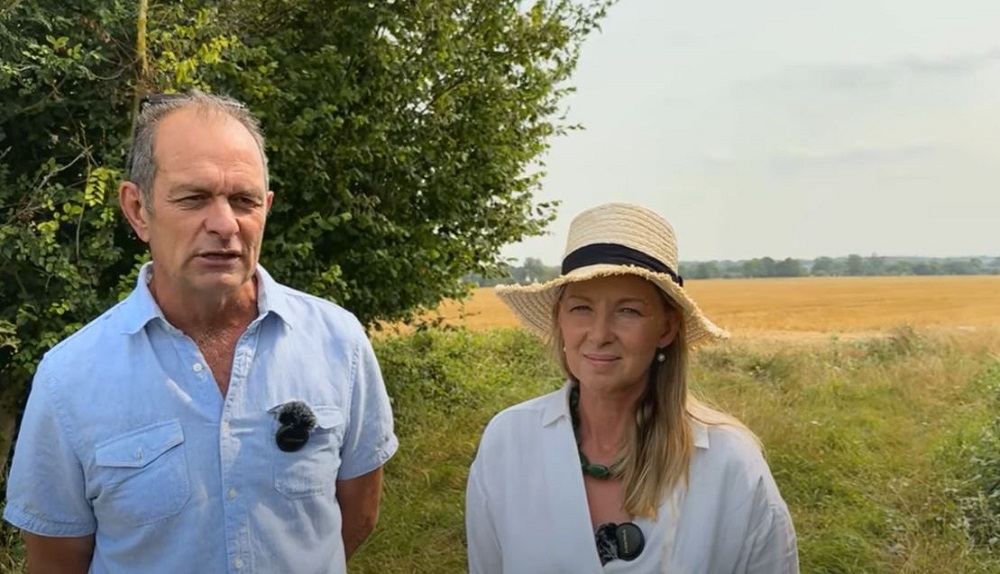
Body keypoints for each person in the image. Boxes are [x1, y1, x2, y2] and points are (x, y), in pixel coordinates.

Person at [3, 91, 399, 573]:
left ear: (266, 207)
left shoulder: (339, 344)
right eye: (194, 198)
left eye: (244, 200)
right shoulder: (69, 379)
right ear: (138, 209)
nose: (224, 224)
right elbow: (56, 562)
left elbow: (358, 514)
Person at [465, 202, 798, 573]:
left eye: (628, 311)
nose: (600, 334)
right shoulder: (508, 443)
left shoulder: (728, 464)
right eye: (581, 309)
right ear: (559, 319)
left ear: (667, 328)